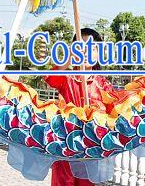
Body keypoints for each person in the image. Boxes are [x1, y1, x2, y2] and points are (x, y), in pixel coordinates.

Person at [43, 27, 115, 186]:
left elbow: (113, 117)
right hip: (65, 150)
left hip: (90, 152)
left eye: (92, 48)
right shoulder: (66, 78)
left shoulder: (104, 86)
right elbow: (50, 77)